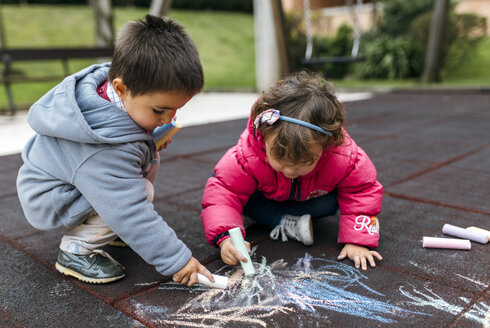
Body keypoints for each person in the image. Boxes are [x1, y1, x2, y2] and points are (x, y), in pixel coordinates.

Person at [16, 15, 214, 285]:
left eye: (175, 110)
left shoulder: (117, 88)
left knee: (147, 159)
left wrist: (150, 139)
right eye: (159, 110)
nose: (168, 119)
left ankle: (111, 229)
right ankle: (75, 250)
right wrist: (177, 260)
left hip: (66, 181)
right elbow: (127, 209)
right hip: (52, 197)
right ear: (122, 88)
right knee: (139, 193)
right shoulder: (101, 149)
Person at [201, 71, 383, 271]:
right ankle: (276, 220)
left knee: (329, 203)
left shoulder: (343, 157)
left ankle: (270, 219)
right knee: (223, 184)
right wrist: (226, 237)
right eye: (280, 158)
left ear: (326, 144)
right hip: (263, 197)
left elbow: (362, 191)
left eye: (304, 162)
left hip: (308, 201)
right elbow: (224, 193)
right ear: (263, 136)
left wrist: (357, 240)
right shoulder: (247, 156)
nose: (289, 171)